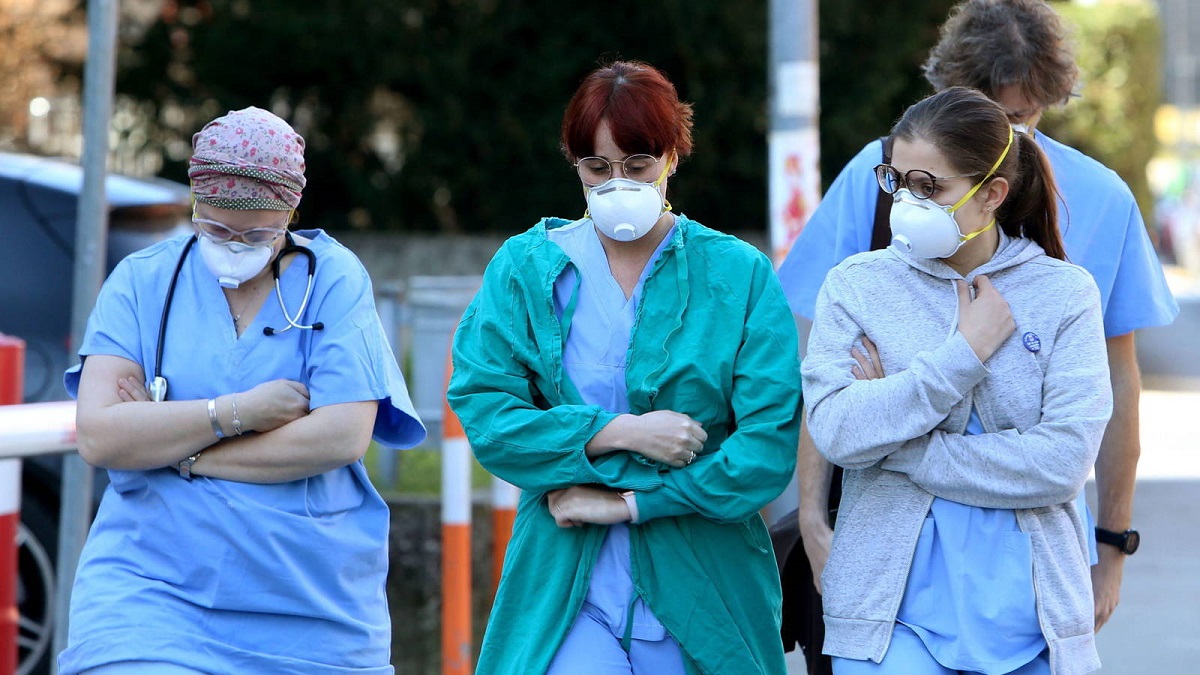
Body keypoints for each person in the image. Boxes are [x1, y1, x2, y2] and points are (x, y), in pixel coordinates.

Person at [777, 1, 1178, 669]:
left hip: (1025, 587)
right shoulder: (874, 203)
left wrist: (1111, 546)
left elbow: (1101, 406)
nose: (1001, 129)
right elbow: (830, 395)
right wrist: (816, 521)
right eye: (901, 184)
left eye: (1019, 115)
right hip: (887, 581)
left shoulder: (1089, 228)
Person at [447, 60, 802, 674]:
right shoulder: (525, 269)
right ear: (573, 163)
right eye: (597, 167)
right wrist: (621, 432)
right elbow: (489, 416)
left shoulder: (738, 274)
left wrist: (633, 503)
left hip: (705, 580)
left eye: (637, 166)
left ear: (672, 157)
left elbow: (765, 452)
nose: (617, 183)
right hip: (563, 574)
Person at [58, 107, 425, 674]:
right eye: (215, 229)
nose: (234, 246)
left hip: (310, 607)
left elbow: (341, 436)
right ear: (195, 206)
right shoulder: (143, 280)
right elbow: (101, 435)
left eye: (257, 234)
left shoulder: (332, 278)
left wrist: (180, 452)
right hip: (150, 592)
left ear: (290, 215)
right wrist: (239, 412)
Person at [803, 85, 1112, 674]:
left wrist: (900, 447)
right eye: (897, 181)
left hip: (1034, 623)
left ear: (992, 194)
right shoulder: (856, 285)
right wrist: (963, 354)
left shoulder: (1065, 293)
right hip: (887, 619)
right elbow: (837, 432)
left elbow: (1063, 463)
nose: (906, 203)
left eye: (929, 187)